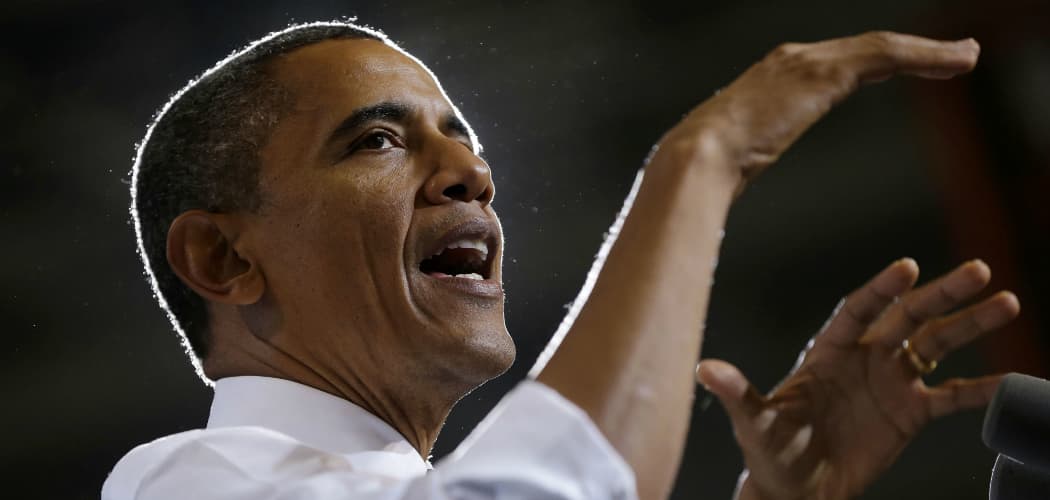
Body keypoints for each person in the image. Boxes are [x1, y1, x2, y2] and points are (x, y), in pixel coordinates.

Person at [103, 21, 1020, 500]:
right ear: (223, 257)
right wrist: (703, 160)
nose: (470, 174)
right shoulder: (184, 482)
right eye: (378, 140)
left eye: (466, 143)